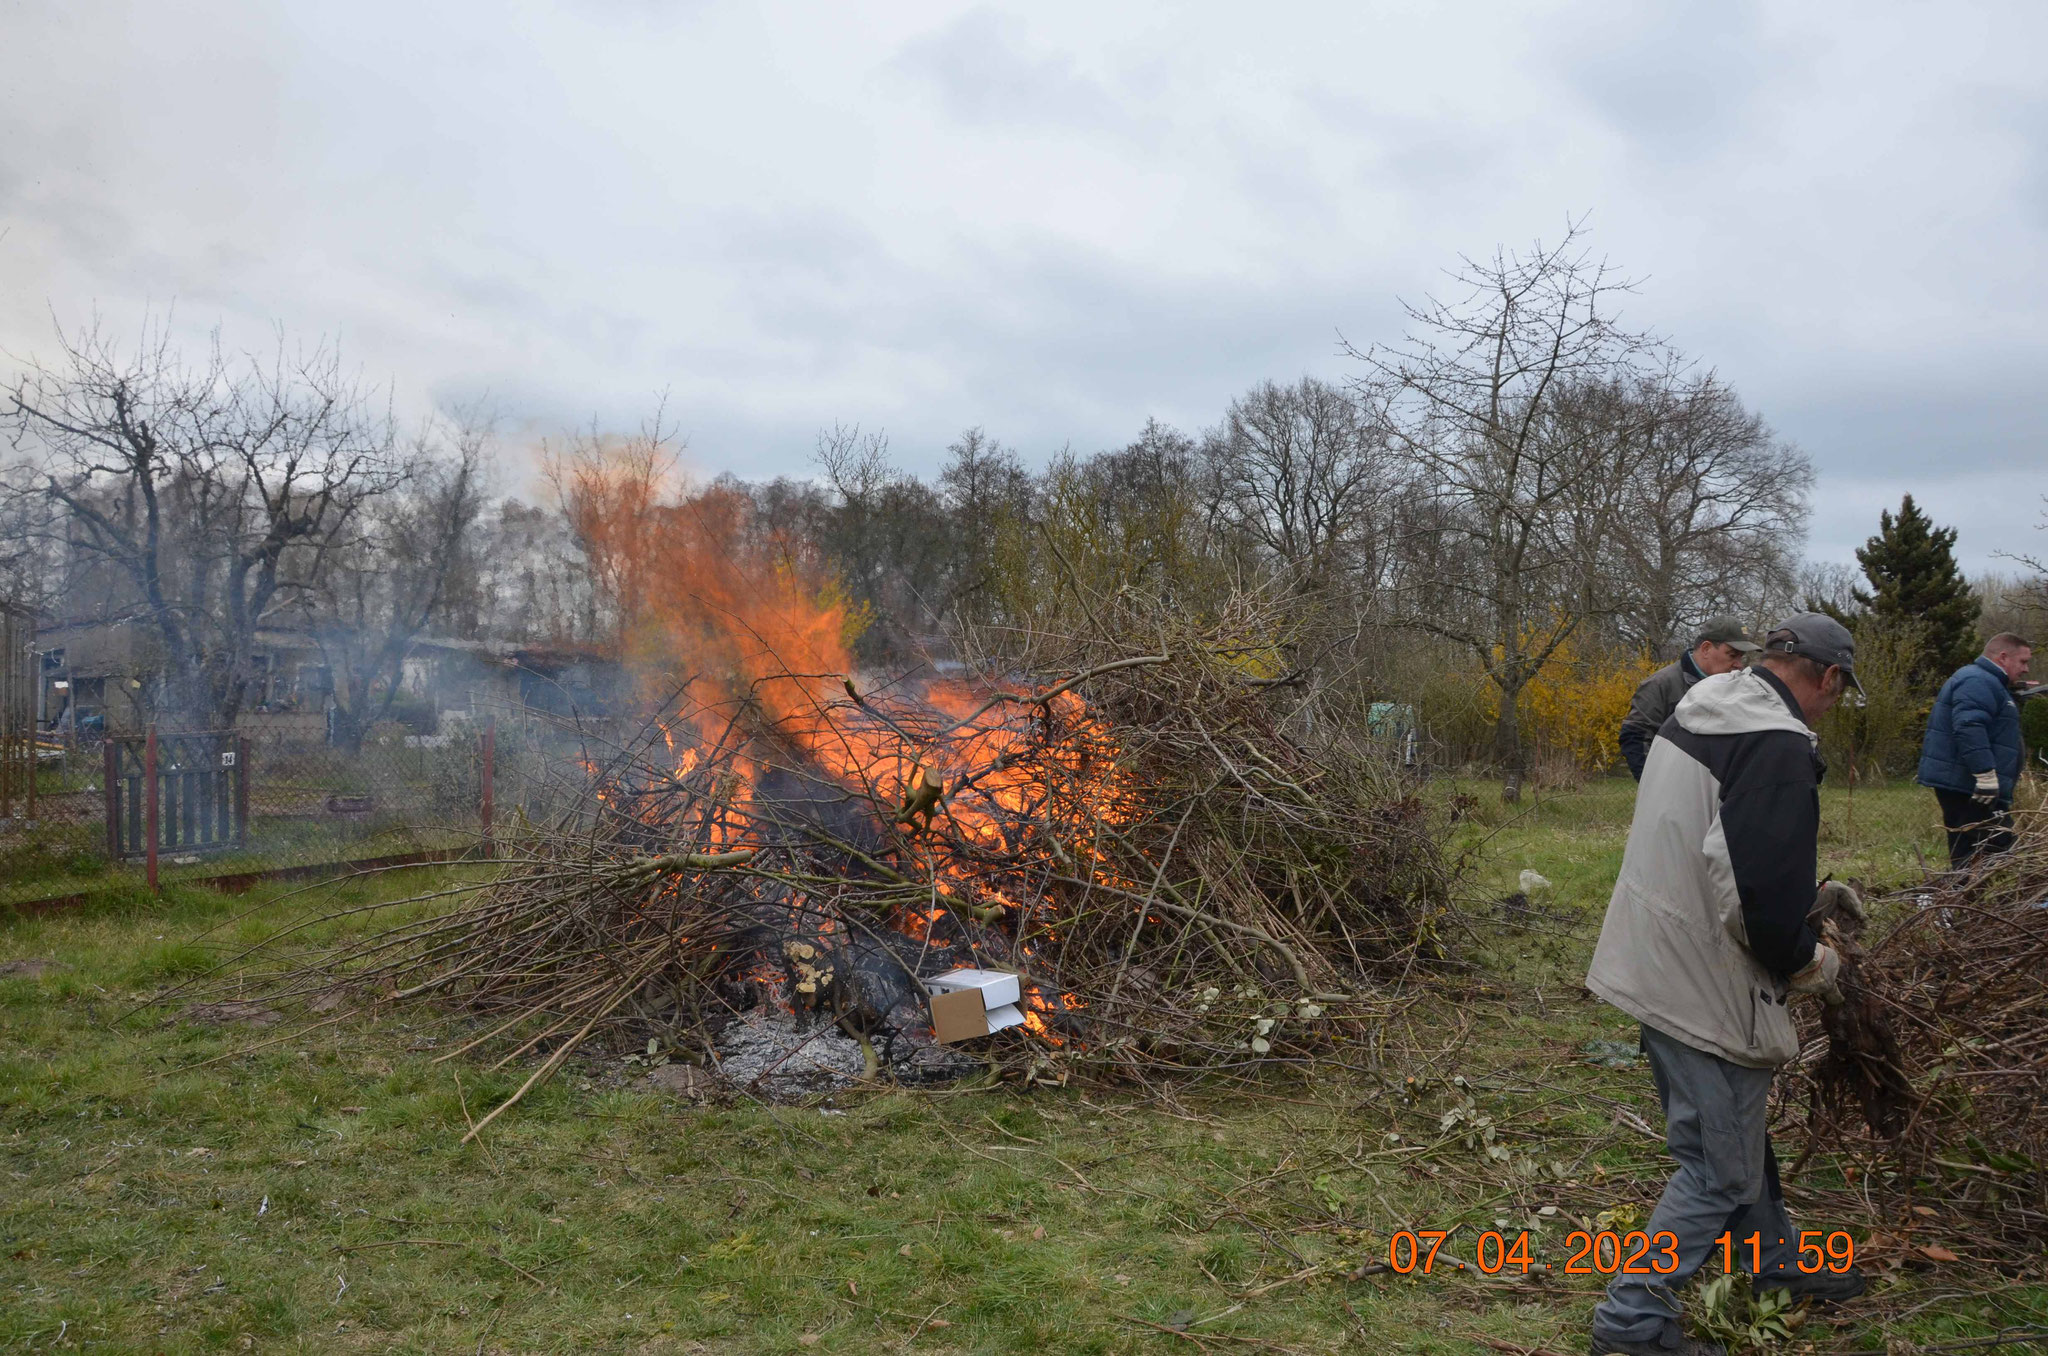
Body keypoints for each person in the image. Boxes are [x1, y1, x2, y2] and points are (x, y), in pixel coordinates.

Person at [1585, 612, 1868, 1356]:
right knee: (1715, 1168)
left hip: (1661, 947)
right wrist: (1813, 959)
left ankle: (1775, 1266)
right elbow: (1756, 902)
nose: (1832, 707)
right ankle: (1631, 1323)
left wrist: (1807, 899)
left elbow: (1715, 840)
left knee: (1736, 1134)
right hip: (1700, 977)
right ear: (1828, 676)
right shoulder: (1774, 743)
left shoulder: (1709, 707)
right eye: (1838, 693)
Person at [1917, 633, 2032, 870]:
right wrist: (1985, 774)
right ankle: (2011, 903)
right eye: (2022, 661)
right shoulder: (1979, 680)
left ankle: (1958, 900)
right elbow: (1969, 726)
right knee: (2001, 848)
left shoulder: (1988, 682)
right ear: (2003, 657)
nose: (2027, 669)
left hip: (1967, 786)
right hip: (1973, 788)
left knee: (1966, 852)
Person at [1618, 618, 1763, 781]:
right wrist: (1655, 785)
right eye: (1732, 655)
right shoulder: (1661, 684)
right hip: (1674, 788)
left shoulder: (1736, 686)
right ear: (1706, 648)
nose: (1738, 664)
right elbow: (1635, 738)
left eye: (1741, 657)